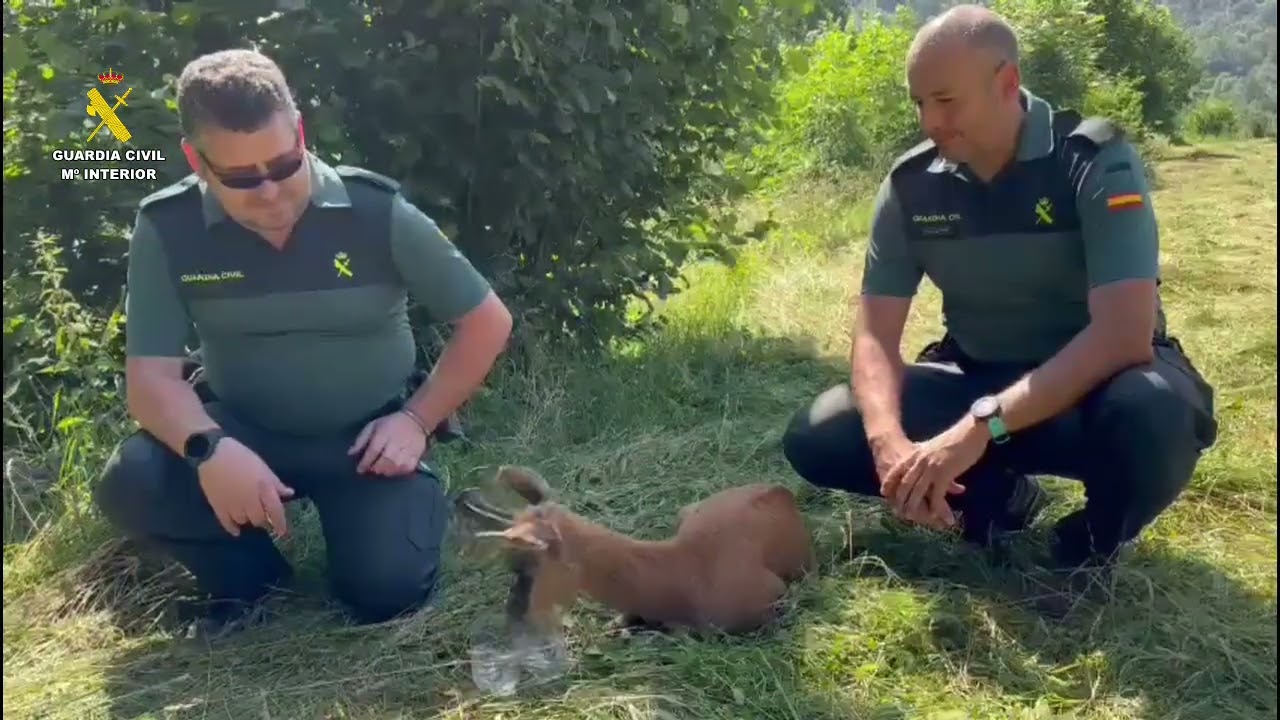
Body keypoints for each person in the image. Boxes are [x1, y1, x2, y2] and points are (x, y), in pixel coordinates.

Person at [781, 6, 1218, 582]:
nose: (929, 121)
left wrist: (977, 429)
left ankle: (1090, 540)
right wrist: (888, 441)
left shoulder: (1092, 160)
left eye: (946, 100)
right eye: (919, 104)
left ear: (1007, 83)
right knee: (824, 430)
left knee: (1156, 414)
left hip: (1095, 393)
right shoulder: (910, 186)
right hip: (977, 375)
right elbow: (874, 337)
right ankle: (996, 501)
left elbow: (1123, 335)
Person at [93, 49, 514, 637]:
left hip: (367, 440)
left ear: (301, 133)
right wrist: (208, 451)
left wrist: (417, 422)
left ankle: (392, 518)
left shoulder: (374, 212)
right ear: (197, 160)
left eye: (284, 164)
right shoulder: (168, 226)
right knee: (133, 479)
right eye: (240, 177)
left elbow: (487, 320)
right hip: (242, 432)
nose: (268, 191)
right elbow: (151, 380)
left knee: (384, 595)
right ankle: (251, 580)